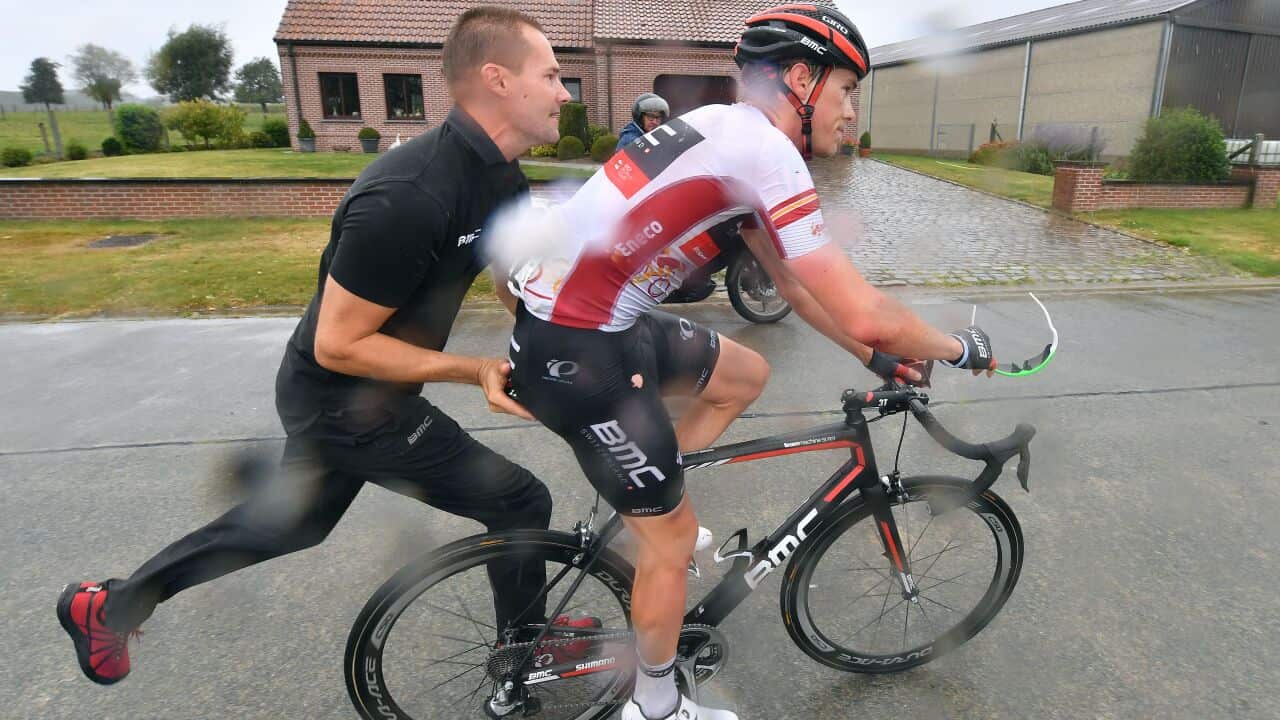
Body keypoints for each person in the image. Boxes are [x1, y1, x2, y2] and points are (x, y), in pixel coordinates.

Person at [496, 4, 997, 719]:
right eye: (847, 91)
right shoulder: (766, 153)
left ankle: (649, 493)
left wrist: (878, 360)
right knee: (671, 545)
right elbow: (863, 306)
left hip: (591, 324)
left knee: (744, 376)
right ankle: (656, 704)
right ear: (802, 79)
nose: (851, 113)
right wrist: (959, 346)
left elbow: (794, 284)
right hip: (578, 352)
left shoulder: (724, 129)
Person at [56, 6, 580, 687]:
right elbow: (339, 344)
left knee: (294, 523)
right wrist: (476, 368)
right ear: (497, 80)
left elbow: (505, 274)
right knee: (518, 501)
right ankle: (526, 652)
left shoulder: (500, 177)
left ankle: (108, 607)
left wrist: (557, 333)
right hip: (343, 400)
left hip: (363, 395)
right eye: (552, 75)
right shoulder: (408, 196)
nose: (564, 93)